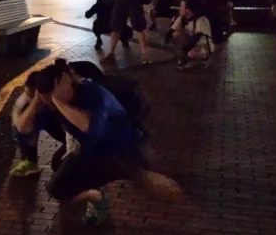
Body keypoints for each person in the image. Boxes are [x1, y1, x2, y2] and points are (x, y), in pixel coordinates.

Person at [36, 61, 183, 224]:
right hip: (94, 150)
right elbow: (25, 129)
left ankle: (139, 174)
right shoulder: (56, 103)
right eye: (48, 103)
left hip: (124, 150)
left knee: (152, 183)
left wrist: (58, 102)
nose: (50, 107)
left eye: (51, 102)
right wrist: (37, 100)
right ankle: (96, 195)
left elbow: (88, 126)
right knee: (56, 181)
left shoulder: (93, 93)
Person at [11, 71, 69, 177]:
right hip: (58, 127)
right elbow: (21, 129)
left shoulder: (64, 96)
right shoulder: (25, 103)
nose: (30, 99)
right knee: (24, 125)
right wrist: (36, 102)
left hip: (85, 139)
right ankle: (30, 161)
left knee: (60, 165)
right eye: (29, 96)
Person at [171, 0, 215, 69]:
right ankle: (187, 58)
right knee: (176, 35)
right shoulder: (182, 18)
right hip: (192, 43)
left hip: (203, 46)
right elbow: (172, 30)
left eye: (182, 6)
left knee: (190, 53)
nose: (180, 8)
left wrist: (185, 49)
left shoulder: (201, 19)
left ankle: (201, 60)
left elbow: (196, 38)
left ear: (188, 9)